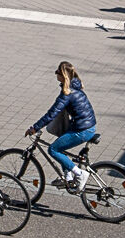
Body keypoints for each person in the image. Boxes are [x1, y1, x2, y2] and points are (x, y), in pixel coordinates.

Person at [25, 62, 96, 191]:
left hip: (82, 130)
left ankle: (80, 174)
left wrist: (35, 127)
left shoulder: (67, 94)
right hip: (87, 126)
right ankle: (68, 178)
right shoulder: (76, 88)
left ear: (63, 75)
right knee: (61, 144)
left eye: (58, 71)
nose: (55, 73)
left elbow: (51, 114)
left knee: (53, 149)